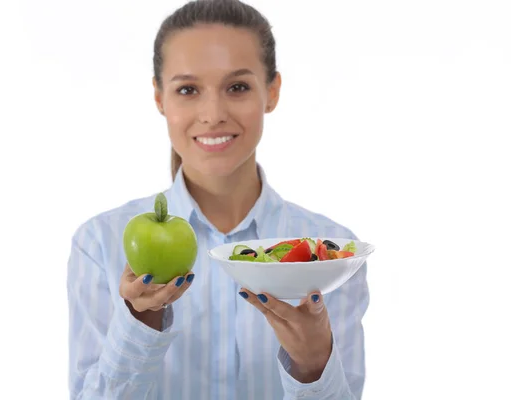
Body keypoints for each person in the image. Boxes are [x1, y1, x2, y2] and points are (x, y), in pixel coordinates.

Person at [66, 0, 369, 398]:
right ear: (159, 97)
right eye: (188, 89)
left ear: (272, 91)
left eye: (237, 87)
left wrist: (314, 367)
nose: (212, 114)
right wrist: (141, 323)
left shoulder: (331, 255)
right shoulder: (100, 244)